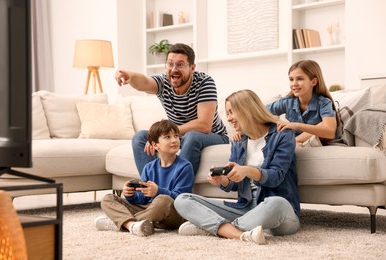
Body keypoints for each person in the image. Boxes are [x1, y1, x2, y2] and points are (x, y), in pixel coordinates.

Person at [174, 89, 300, 245]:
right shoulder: (239, 141)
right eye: (227, 113)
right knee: (182, 199)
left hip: (277, 212)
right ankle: (236, 231)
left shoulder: (282, 135)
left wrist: (246, 170)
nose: (229, 119)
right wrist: (224, 181)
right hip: (245, 207)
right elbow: (234, 185)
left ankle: (216, 228)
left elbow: (276, 177)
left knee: (277, 203)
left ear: (247, 110)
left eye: (232, 112)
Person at [115, 43, 228, 174]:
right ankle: (152, 188)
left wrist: (167, 135)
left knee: (192, 137)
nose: (174, 69)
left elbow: (204, 125)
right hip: (179, 135)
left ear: (192, 68)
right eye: (170, 64)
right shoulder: (163, 82)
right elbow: (144, 82)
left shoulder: (204, 82)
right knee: (140, 137)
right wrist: (130, 76)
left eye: (180, 65)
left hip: (213, 135)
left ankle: (179, 190)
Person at [94, 119, 194, 236]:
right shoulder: (149, 167)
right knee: (108, 199)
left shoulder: (185, 166)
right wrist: (130, 195)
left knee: (162, 200)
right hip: (149, 212)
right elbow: (142, 198)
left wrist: (157, 191)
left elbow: (181, 199)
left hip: (171, 213)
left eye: (176, 136)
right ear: (155, 145)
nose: (174, 140)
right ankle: (132, 225)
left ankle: (122, 223)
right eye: (167, 137)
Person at [266, 59, 339, 146]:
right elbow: (259, 112)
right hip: (295, 142)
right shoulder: (288, 102)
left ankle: (291, 143)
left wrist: (296, 125)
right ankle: (291, 143)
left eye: (300, 79)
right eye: (291, 79)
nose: (294, 83)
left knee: (322, 125)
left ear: (314, 81)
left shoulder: (324, 103)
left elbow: (330, 132)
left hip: (316, 142)